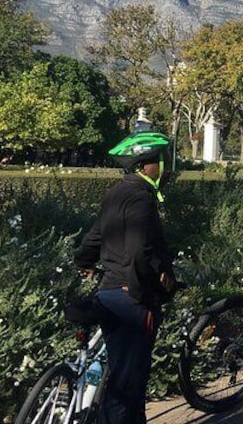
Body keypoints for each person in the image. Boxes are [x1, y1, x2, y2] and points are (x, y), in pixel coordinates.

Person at [74, 131, 177, 423]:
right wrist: (145, 291)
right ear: (147, 164)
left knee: (124, 376)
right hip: (130, 299)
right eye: (161, 160)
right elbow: (138, 253)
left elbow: (96, 235)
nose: (165, 166)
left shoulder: (116, 192)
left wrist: (83, 260)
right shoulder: (141, 200)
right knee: (127, 385)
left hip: (108, 292)